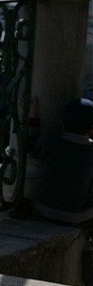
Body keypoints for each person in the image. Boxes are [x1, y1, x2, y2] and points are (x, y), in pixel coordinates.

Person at [34, 96, 93, 225]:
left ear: (62, 122)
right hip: (78, 214)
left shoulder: (51, 141)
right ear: (91, 130)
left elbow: (32, 148)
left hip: (45, 207)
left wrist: (33, 119)